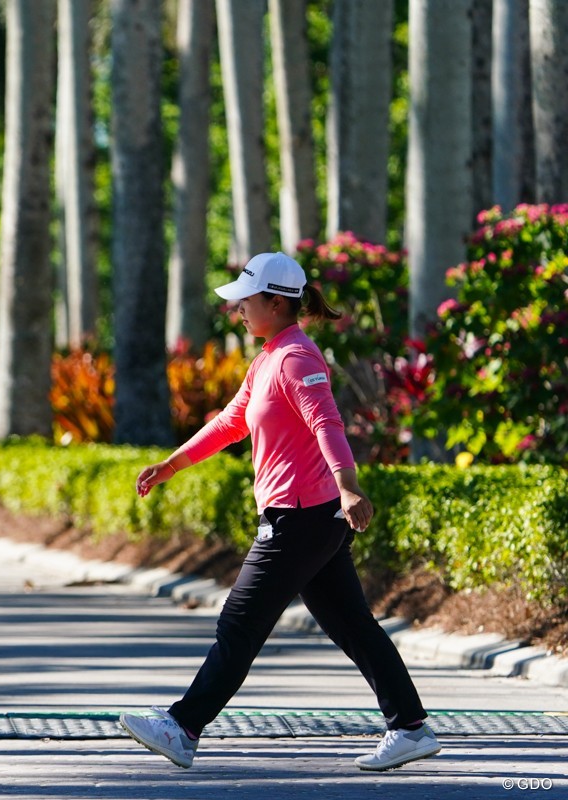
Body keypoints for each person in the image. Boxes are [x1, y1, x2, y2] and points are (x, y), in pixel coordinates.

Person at [119, 251, 440, 772]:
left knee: (239, 623)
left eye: (246, 301)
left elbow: (327, 424)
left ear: (276, 301)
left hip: (301, 517)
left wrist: (349, 487)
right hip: (309, 519)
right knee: (353, 626)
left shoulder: (297, 358)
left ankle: (183, 727)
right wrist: (172, 464)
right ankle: (410, 727)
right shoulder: (269, 357)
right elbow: (231, 422)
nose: (239, 310)